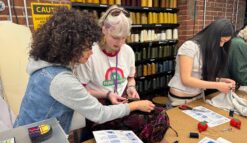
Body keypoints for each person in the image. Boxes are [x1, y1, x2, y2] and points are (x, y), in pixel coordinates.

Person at [13, 8, 155, 134]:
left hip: (29, 133)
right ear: (72, 47)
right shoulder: (61, 80)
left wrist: (126, 88)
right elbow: (100, 114)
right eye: (87, 47)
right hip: (36, 139)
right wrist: (135, 105)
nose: (91, 52)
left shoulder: (45, 68)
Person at [74, 5, 140, 105]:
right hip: (97, 107)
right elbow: (79, 90)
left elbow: (130, 78)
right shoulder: (89, 54)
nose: (120, 43)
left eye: (123, 38)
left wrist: (131, 87)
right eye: (115, 37)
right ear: (104, 29)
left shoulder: (128, 51)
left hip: (122, 103)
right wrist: (107, 94)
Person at [168, 19, 236, 106]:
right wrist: (218, 85)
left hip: (199, 96)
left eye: (225, 42)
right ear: (211, 35)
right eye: (220, 41)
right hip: (181, 99)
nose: (221, 45)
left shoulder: (208, 49)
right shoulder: (189, 47)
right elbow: (186, 79)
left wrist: (220, 80)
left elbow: (200, 75)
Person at [225, 24, 247, 93]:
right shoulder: (239, 44)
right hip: (224, 87)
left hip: (228, 85)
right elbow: (242, 78)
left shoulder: (239, 42)